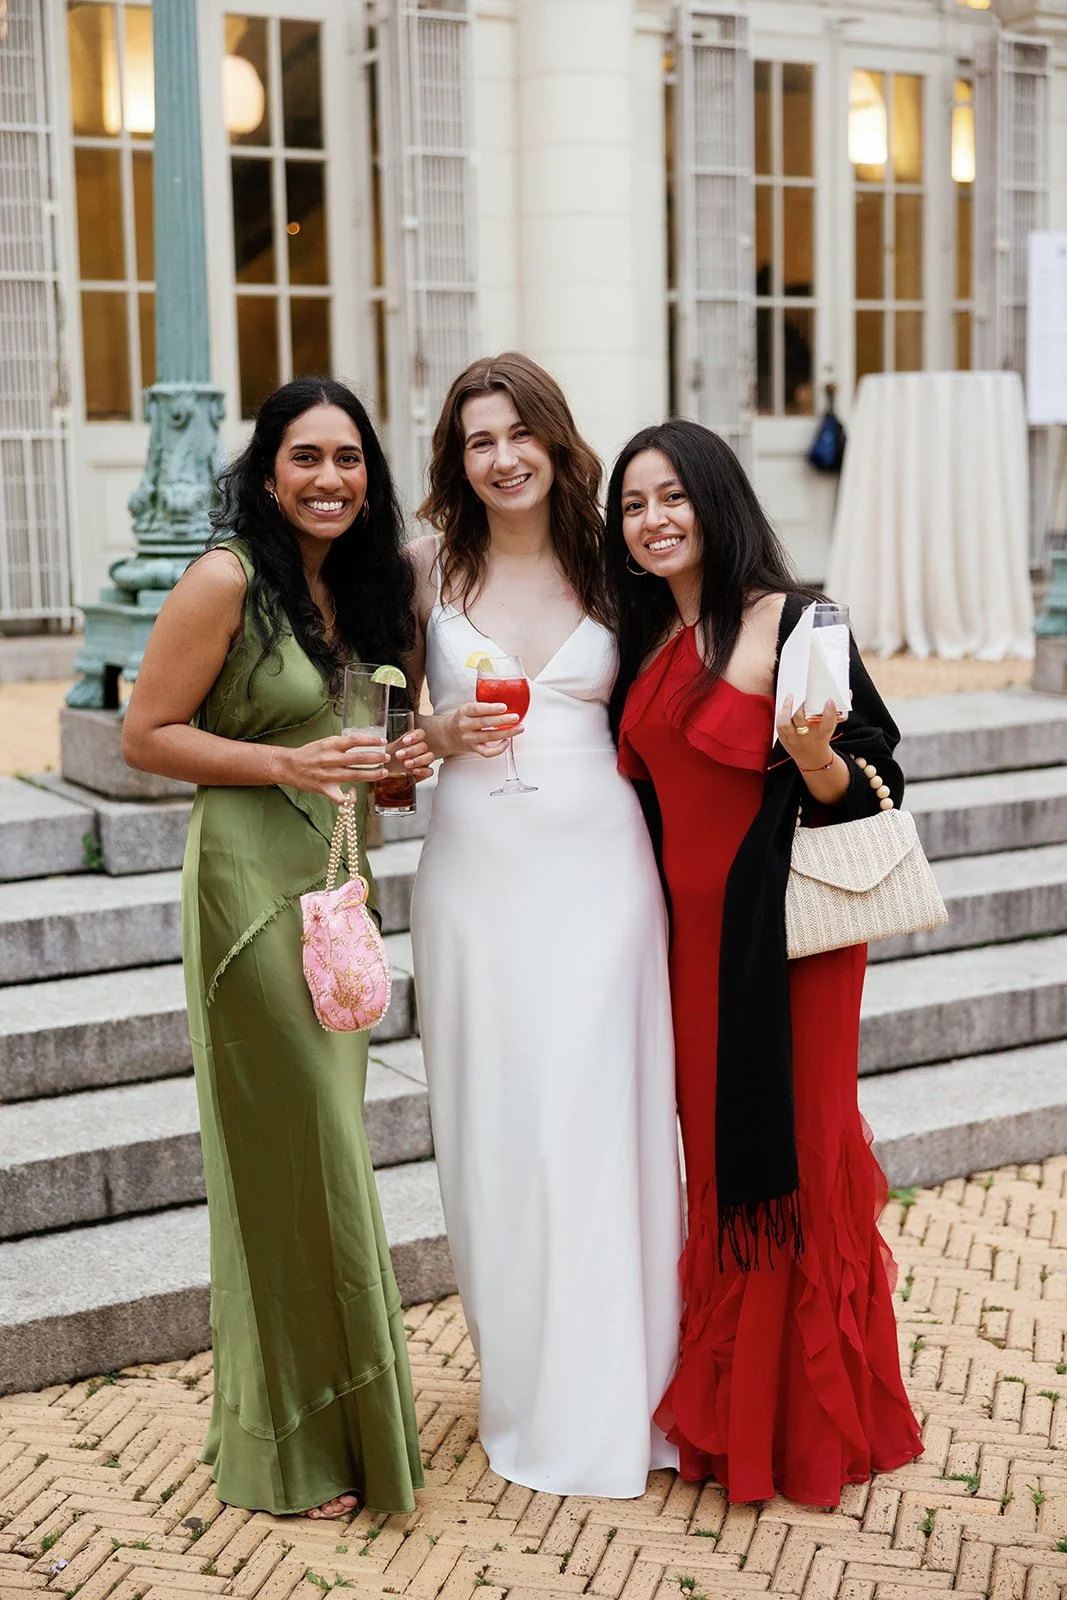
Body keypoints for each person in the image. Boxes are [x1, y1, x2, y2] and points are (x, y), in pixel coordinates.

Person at [122, 378, 431, 1520]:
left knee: (328, 1145)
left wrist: (400, 766)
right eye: (306, 458)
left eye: (348, 459)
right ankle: (292, 1443)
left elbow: (377, 760)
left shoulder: (362, 589)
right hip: (247, 888)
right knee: (293, 1152)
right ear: (263, 472)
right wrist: (287, 764)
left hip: (338, 885)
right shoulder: (225, 579)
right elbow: (144, 734)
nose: (330, 479)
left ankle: (342, 1421)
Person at [604, 418, 923, 1508]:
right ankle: (733, 1410)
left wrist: (812, 757)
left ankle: (806, 1427)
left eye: (670, 497)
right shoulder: (640, 639)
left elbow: (873, 780)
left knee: (797, 1151)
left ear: (714, 497)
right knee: (719, 1159)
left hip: (787, 940)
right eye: (633, 504)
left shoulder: (794, 620)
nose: (652, 520)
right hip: (689, 948)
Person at [405, 352, 683, 1498]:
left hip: (600, 877)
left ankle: (631, 1392)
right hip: (474, 881)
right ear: (456, 458)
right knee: (499, 1136)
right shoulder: (419, 563)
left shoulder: (614, 563)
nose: (502, 455)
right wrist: (429, 729)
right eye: (477, 438)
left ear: (552, 437)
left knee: (598, 1123)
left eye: (517, 431)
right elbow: (378, 718)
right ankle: (527, 1383)